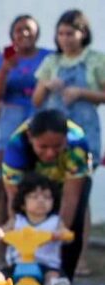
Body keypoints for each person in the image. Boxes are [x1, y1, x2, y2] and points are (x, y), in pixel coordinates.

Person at [1, 108, 92, 285]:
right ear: (30, 137)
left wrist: (60, 230)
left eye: (57, 146)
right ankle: (20, 276)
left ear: (66, 138)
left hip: (67, 179)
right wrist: (18, 228)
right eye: (43, 147)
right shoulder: (16, 146)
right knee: (23, 223)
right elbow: (15, 198)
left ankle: (62, 283)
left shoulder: (77, 143)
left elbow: (71, 196)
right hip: (31, 178)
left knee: (72, 228)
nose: (50, 153)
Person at [0, 175, 74, 285]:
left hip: (46, 265)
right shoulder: (18, 221)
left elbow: (66, 233)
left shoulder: (55, 222)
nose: (41, 201)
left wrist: (63, 235)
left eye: (47, 197)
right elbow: (3, 229)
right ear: (23, 202)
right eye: (34, 197)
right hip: (17, 265)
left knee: (53, 277)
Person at [0, 15, 51, 228]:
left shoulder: (48, 57)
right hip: (9, 128)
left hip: (40, 126)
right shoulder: (5, 57)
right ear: (12, 34)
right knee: (6, 186)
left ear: (37, 33)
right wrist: (5, 68)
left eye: (28, 29)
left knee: (39, 184)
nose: (24, 34)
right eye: (19, 30)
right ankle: (4, 242)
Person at [34, 10, 105, 170]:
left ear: (84, 33)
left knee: (81, 178)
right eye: (61, 34)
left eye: (70, 34)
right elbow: (36, 101)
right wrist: (46, 85)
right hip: (54, 133)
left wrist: (81, 93)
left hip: (85, 130)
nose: (65, 39)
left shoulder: (96, 59)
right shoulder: (51, 61)